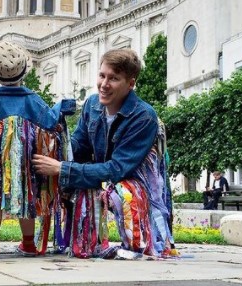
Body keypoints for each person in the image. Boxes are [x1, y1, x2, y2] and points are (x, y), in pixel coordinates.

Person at [32, 49, 175, 258]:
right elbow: (78, 147)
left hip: (135, 185)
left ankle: (137, 243)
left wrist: (62, 168)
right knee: (69, 182)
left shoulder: (144, 117)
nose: (104, 84)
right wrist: (52, 144)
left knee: (123, 192)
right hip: (103, 177)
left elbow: (117, 170)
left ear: (131, 83)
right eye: (102, 75)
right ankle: (85, 243)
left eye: (114, 79)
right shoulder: (92, 104)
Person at [0, 41, 75, 258]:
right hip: (27, 165)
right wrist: (62, 106)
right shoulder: (32, 99)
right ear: (23, 74)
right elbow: (50, 122)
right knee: (27, 197)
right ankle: (28, 243)